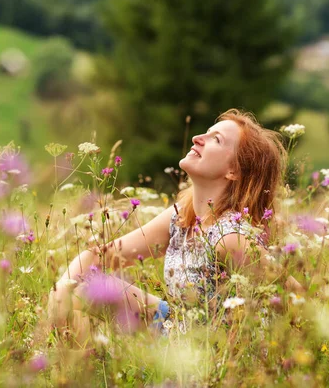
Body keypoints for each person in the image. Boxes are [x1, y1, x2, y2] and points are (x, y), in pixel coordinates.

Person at [49, 108, 302, 342]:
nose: (197, 138)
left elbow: (299, 302)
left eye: (216, 140)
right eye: (207, 132)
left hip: (210, 358)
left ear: (233, 171)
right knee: (76, 291)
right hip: (177, 328)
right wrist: (62, 290)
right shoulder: (182, 216)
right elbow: (101, 257)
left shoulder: (230, 238)